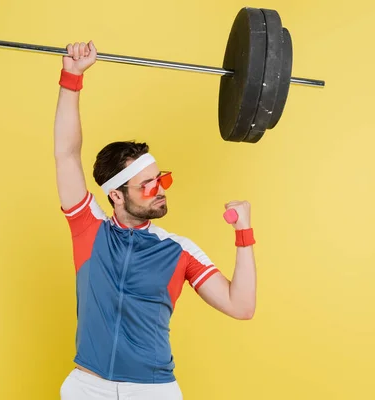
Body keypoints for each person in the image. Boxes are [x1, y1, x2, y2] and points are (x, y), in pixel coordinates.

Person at [54, 41, 257, 400]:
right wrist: (72, 76)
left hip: (152, 391)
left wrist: (243, 232)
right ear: (116, 195)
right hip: (87, 388)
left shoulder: (179, 251)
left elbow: (241, 307)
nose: (160, 190)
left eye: (160, 180)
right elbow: (67, 154)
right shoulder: (90, 230)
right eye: (147, 186)